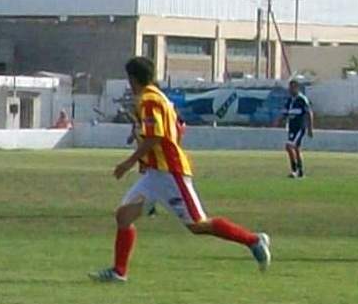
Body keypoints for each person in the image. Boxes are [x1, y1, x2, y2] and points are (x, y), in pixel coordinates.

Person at [93, 55, 271, 283]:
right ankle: (119, 272)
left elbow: (155, 136)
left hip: (170, 172)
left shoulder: (148, 100)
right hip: (156, 173)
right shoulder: (160, 98)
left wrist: (128, 163)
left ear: (132, 79)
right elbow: (177, 128)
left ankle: (253, 240)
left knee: (198, 225)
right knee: (123, 216)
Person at [280, 75, 313, 179]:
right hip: (292, 128)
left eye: (292, 87)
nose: (290, 89)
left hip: (300, 127)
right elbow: (285, 113)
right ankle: (301, 172)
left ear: (297, 88)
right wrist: (278, 121)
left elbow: (309, 113)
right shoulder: (290, 100)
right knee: (297, 149)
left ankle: (294, 170)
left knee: (289, 146)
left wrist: (310, 128)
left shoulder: (302, 99)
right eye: (290, 87)